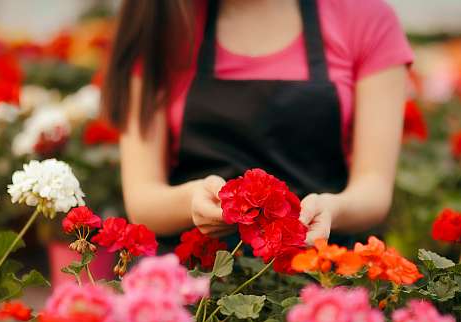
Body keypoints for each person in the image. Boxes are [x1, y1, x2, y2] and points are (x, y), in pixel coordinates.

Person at [102, 0, 413, 245]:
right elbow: (142, 198)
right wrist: (190, 200)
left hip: (321, 266)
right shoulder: (163, 19)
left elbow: (373, 188)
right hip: (199, 281)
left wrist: (332, 209)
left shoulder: (365, 18)